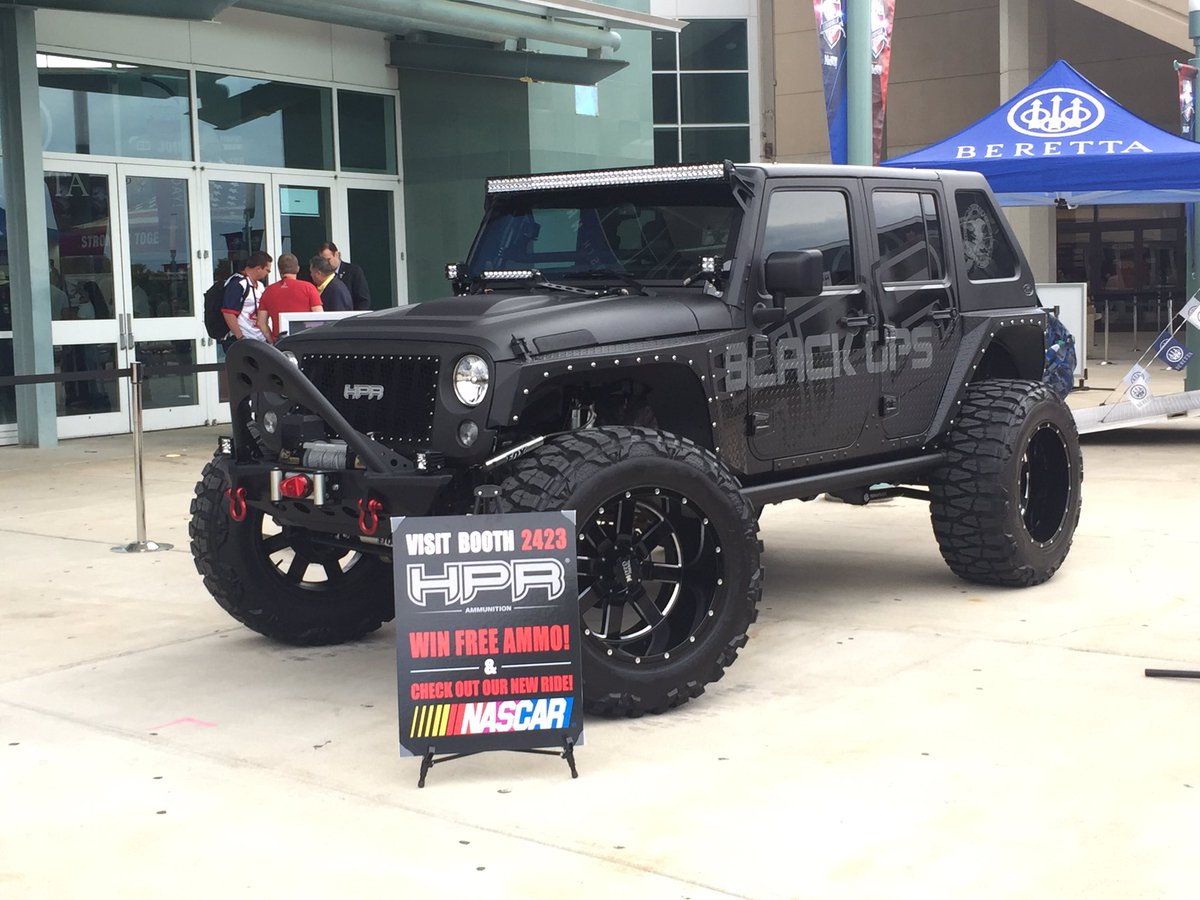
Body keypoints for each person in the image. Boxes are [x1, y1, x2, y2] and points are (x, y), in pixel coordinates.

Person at [257, 253, 322, 343]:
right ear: (298, 269)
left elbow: (261, 322)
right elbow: (319, 317)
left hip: (280, 341)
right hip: (305, 340)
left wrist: (272, 341)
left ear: (279, 270)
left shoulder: (268, 291)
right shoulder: (309, 288)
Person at [221, 250, 273, 345]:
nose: (268, 273)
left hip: (259, 339)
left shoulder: (260, 286)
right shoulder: (237, 284)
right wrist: (240, 338)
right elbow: (228, 313)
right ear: (258, 268)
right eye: (267, 270)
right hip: (243, 340)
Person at [318, 241, 371, 311]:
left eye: (328, 260)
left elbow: (363, 300)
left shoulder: (353, 271)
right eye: (323, 261)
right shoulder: (319, 275)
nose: (325, 264)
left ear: (336, 254)